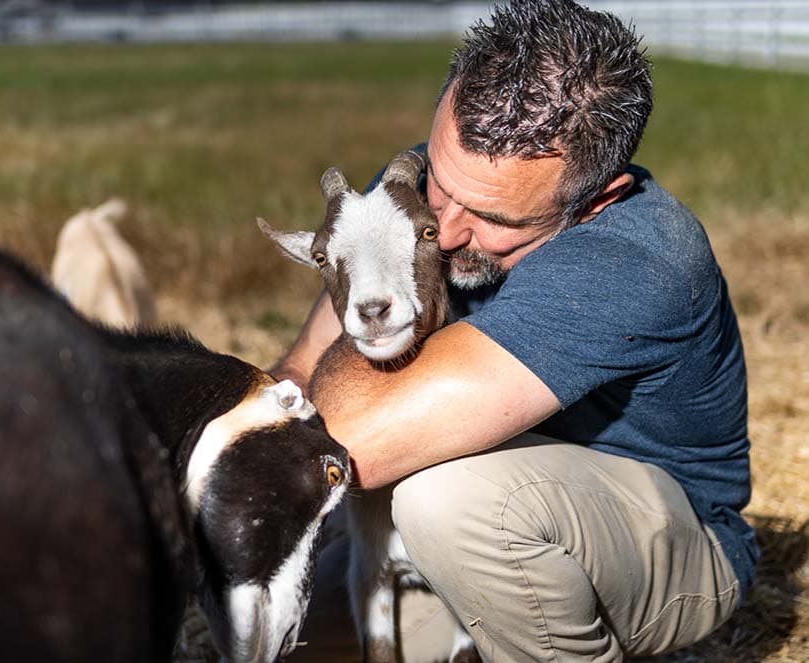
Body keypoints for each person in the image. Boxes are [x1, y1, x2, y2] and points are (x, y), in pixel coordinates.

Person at [273, 1, 758, 660]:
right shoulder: (408, 192)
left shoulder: (633, 258)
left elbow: (353, 442)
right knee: (286, 627)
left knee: (447, 503)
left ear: (597, 196)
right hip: (489, 504)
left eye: (492, 216)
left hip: (663, 539)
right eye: (441, 181)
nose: (440, 232)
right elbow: (296, 382)